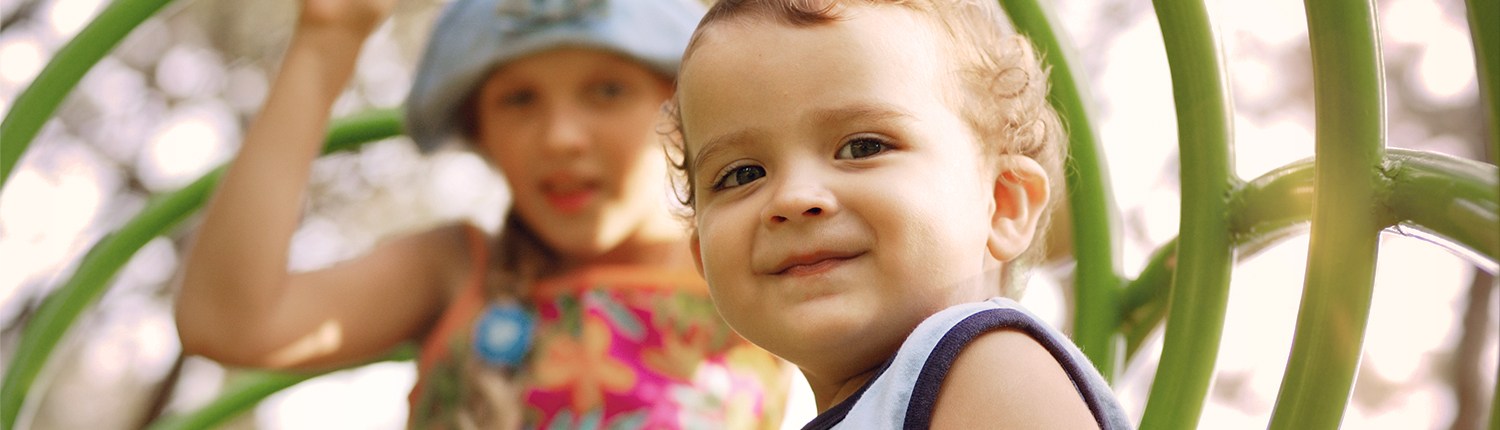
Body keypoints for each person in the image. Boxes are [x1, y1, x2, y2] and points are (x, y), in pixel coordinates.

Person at [173, 0, 790, 427]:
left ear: (686, 111)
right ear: (482, 134)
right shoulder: (455, 270)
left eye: (608, 89)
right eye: (519, 100)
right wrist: (325, 43)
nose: (561, 137)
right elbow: (228, 322)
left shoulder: (752, 263)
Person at [667, 0, 1132, 427]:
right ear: (702, 258)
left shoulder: (991, 367)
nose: (792, 198)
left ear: (1002, 205)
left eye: (862, 147)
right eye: (742, 174)